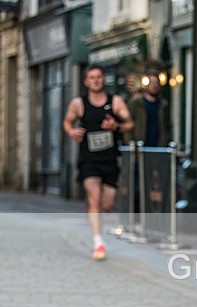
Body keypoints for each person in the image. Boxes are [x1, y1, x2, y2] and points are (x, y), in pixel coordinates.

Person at [63, 64, 134, 261]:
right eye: (92, 77)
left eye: (99, 77)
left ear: (104, 79)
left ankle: (97, 222)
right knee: (94, 197)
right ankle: (98, 243)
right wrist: (72, 131)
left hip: (110, 160)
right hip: (89, 160)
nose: (95, 80)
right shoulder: (79, 103)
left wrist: (117, 126)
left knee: (107, 204)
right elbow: (67, 122)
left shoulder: (116, 102)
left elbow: (130, 123)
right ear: (86, 81)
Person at [128, 73, 173, 214]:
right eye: (151, 82)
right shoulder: (137, 103)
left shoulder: (164, 105)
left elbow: (168, 126)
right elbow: (129, 124)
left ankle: (152, 212)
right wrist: (132, 146)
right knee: (138, 183)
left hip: (158, 149)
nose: (154, 85)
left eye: (157, 83)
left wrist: (167, 144)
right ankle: (136, 213)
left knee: (156, 184)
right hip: (140, 148)